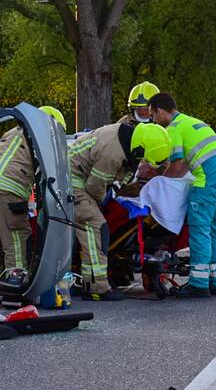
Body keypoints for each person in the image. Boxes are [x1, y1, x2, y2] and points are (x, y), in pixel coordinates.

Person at [148, 92, 216, 298]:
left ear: (160, 111)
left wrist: (159, 180)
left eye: (153, 116)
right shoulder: (193, 122)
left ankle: (198, 284)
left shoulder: (173, 129)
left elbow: (178, 166)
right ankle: (215, 282)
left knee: (200, 230)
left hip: (209, 179)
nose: (153, 121)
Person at [69, 121, 171, 300]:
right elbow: (95, 188)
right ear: (140, 149)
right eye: (144, 158)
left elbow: (118, 177)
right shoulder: (113, 153)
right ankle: (97, 287)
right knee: (95, 225)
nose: (143, 162)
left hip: (80, 179)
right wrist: (105, 203)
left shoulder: (128, 140)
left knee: (96, 223)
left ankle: (89, 281)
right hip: (72, 182)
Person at [0, 106, 66, 284]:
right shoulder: (40, 138)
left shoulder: (13, 133)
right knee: (17, 236)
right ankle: (13, 280)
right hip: (9, 191)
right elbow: (47, 175)